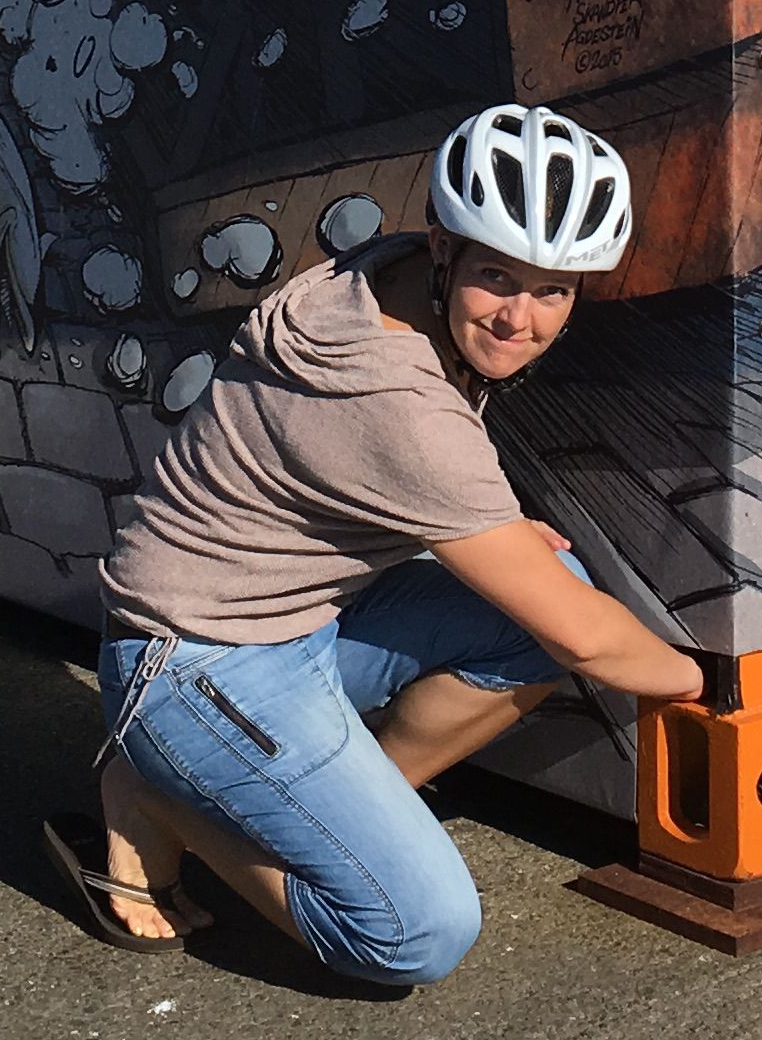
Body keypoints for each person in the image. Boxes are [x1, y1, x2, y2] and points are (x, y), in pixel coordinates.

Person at [58, 103, 704, 985]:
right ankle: (163, 797)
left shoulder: (391, 272)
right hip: (194, 664)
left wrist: (492, 532)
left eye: (553, 290)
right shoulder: (400, 405)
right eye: (498, 279)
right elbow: (588, 640)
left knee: (549, 582)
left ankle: (311, 815)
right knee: (416, 933)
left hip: (296, 621)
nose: (521, 318)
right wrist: (709, 677)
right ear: (444, 247)